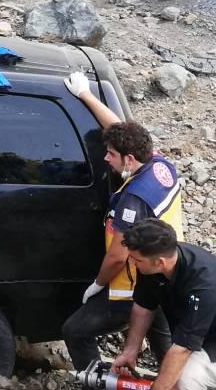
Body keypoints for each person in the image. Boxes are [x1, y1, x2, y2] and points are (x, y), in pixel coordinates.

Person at [62, 72, 181, 370]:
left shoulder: (133, 200)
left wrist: (97, 284)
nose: (106, 159)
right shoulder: (159, 165)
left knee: (74, 331)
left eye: (111, 155)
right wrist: (86, 95)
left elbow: (118, 255)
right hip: (164, 275)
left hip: (131, 286)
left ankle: (97, 382)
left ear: (129, 159)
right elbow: (119, 129)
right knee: (167, 350)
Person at [112, 219, 216, 390]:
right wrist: (130, 351)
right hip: (194, 334)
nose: (132, 263)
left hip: (212, 342)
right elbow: (143, 306)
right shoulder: (152, 261)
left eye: (136, 260)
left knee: (183, 380)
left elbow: (182, 349)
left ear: (160, 262)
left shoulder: (204, 286)